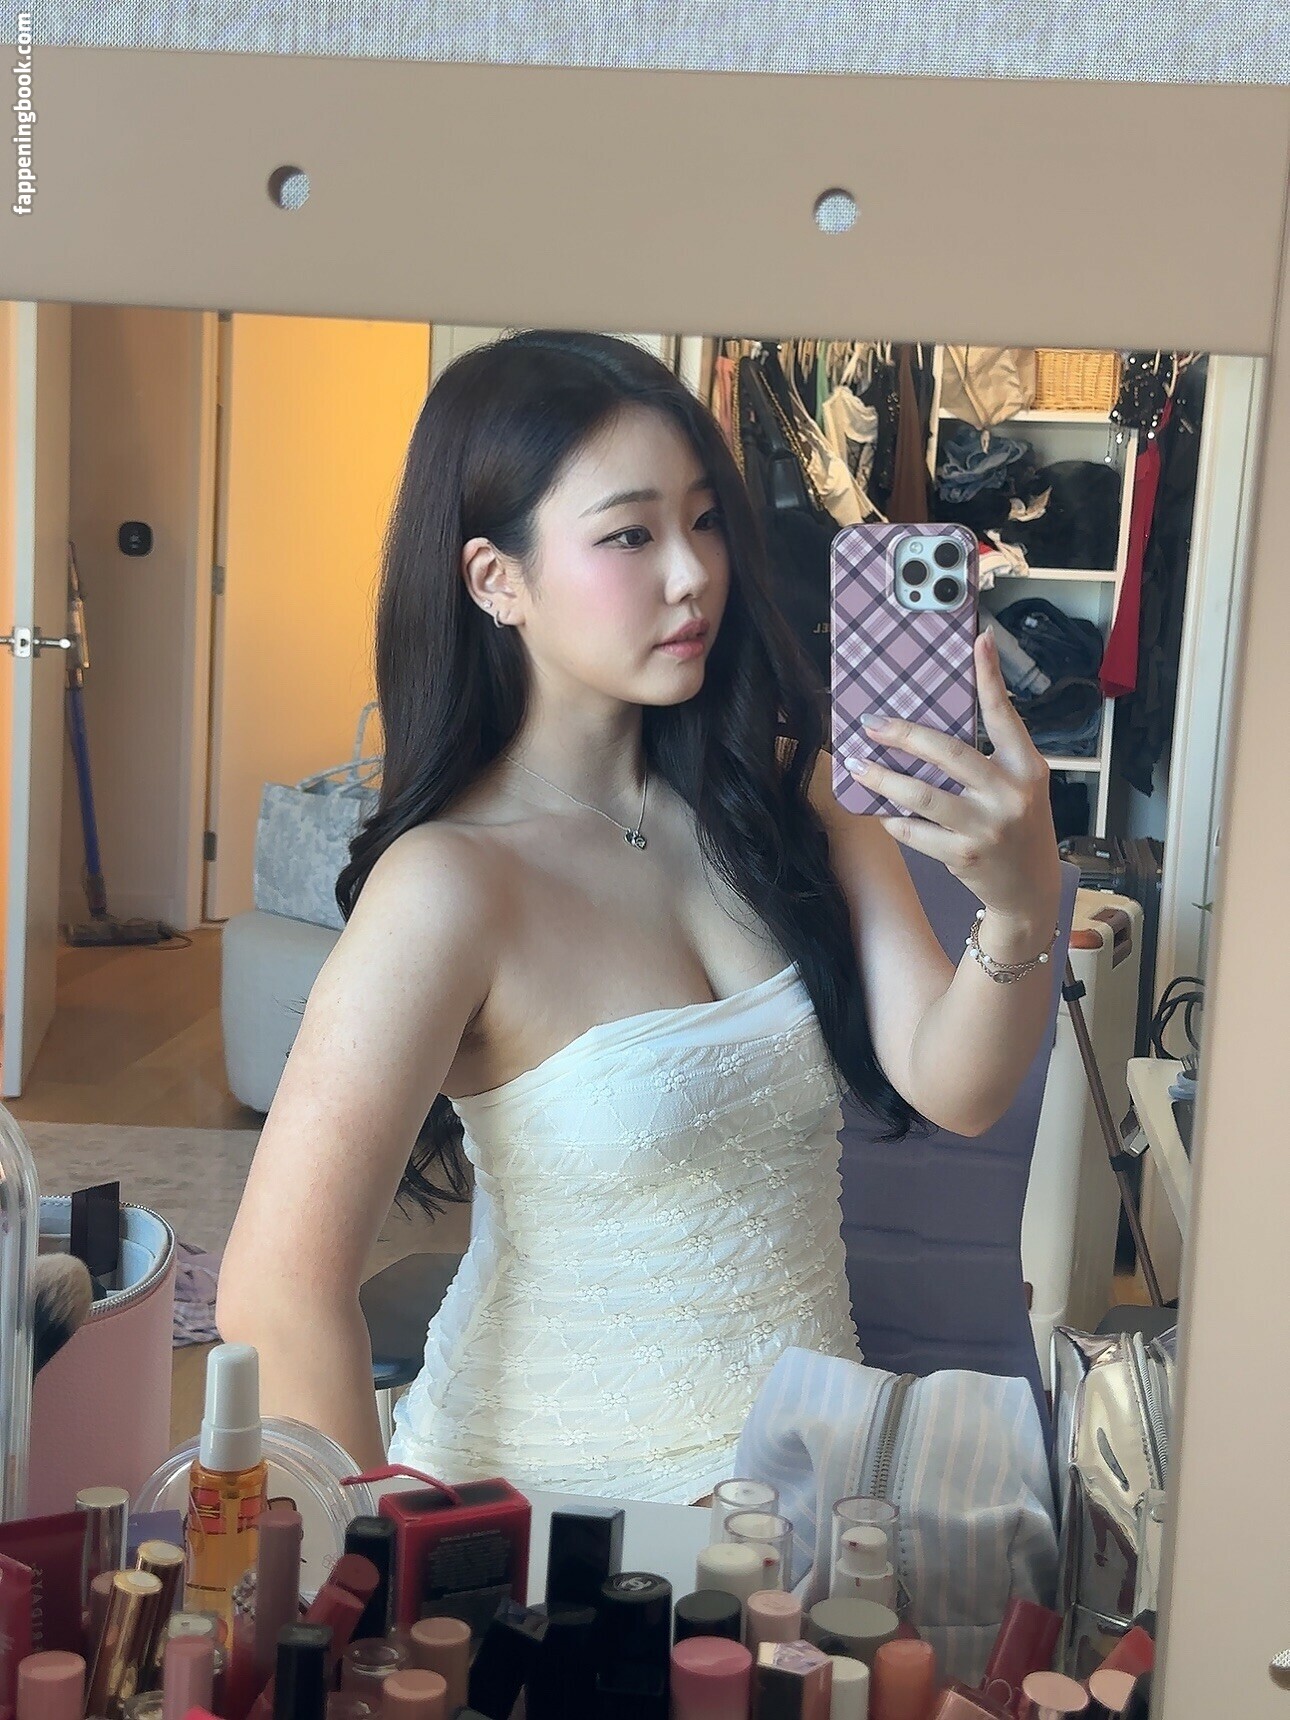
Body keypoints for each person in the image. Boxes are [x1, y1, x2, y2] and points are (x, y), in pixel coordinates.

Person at [216, 329, 1063, 1502]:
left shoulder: (788, 796)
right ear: (495, 579)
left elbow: (954, 1084)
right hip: (550, 1520)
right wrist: (395, 1565)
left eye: (705, 520)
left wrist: (1019, 907)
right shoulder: (451, 884)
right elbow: (276, 1294)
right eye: (630, 534)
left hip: (804, 1500)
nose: (693, 573)